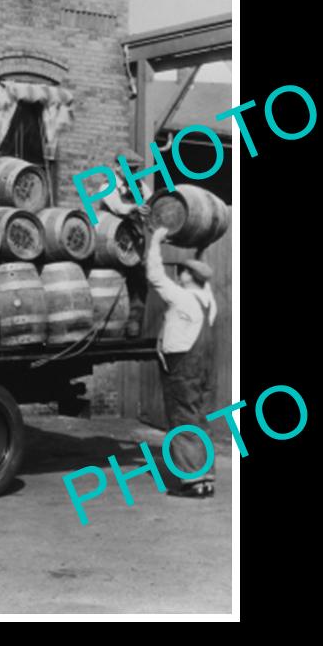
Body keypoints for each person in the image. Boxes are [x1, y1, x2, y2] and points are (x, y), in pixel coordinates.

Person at [145, 226, 218, 498]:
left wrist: (154, 240)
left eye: (183, 271)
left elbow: (154, 274)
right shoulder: (208, 299)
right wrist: (200, 247)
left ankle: (192, 482)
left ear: (188, 277)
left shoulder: (181, 297)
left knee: (182, 421)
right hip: (202, 369)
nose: (179, 274)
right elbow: (205, 276)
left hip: (182, 368)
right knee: (199, 419)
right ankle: (206, 478)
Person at [97, 146, 153, 337]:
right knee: (111, 284)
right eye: (132, 169)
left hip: (132, 245)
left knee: (138, 283)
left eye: (136, 169)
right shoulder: (107, 186)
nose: (135, 173)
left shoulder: (139, 186)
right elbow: (119, 208)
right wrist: (136, 208)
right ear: (118, 168)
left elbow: (151, 202)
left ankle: (133, 327)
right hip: (109, 243)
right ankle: (109, 329)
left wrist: (150, 210)